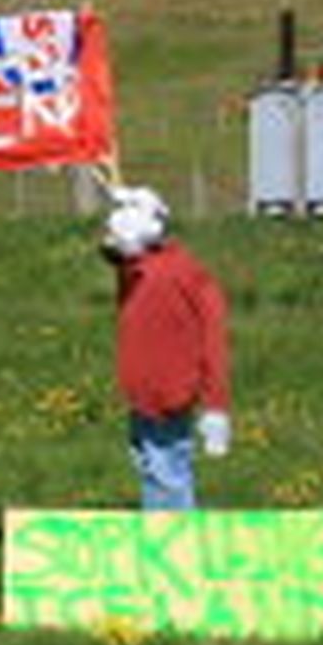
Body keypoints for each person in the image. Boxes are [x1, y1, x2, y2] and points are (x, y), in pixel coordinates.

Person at [100, 185, 231, 510]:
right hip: (143, 394)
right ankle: (161, 535)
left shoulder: (176, 275)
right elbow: (114, 257)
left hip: (168, 394)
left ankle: (173, 549)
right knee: (151, 465)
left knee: (166, 473)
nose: (110, 242)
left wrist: (216, 406)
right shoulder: (141, 269)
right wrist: (138, 204)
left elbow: (213, 339)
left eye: (116, 235)